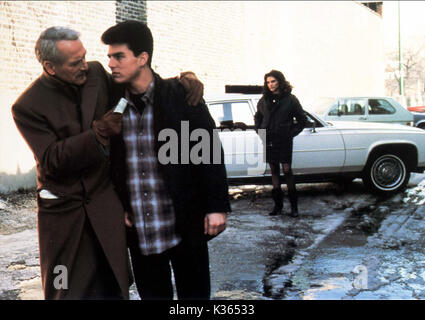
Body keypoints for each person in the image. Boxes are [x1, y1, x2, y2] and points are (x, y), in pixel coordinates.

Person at [11, 26, 204, 300]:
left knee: (113, 285)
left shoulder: (97, 74)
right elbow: (51, 160)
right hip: (65, 215)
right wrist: (97, 134)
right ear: (50, 67)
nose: (84, 66)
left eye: (84, 57)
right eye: (75, 62)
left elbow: (139, 82)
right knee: (63, 288)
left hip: (106, 206)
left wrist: (182, 80)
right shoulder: (27, 106)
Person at [101, 20, 231, 300]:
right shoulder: (112, 101)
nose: (111, 63)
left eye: (118, 56)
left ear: (143, 58)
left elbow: (208, 152)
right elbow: (112, 164)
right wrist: (119, 204)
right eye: (109, 56)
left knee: (194, 298)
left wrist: (217, 206)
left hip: (183, 222)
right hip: (141, 228)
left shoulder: (180, 95)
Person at [254, 70, 307, 217]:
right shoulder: (263, 100)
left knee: (287, 170)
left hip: (283, 140)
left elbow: (302, 120)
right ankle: (278, 206)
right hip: (269, 139)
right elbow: (257, 118)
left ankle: (294, 207)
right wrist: (260, 131)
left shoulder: (290, 99)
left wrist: (290, 133)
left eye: (273, 81)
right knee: (274, 172)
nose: (270, 85)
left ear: (280, 82)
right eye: (268, 82)